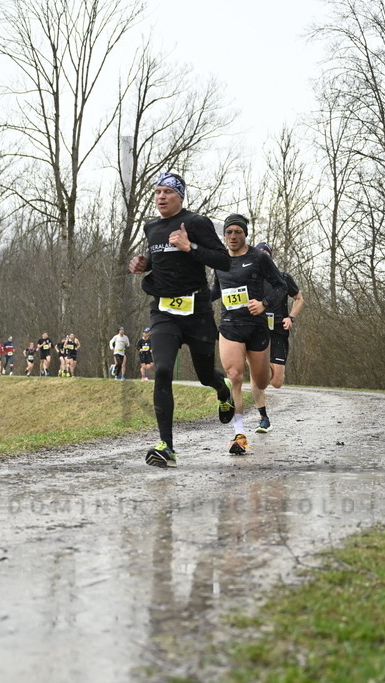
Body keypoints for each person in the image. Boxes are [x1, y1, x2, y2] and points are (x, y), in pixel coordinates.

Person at [128, 172, 235, 468]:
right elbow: (157, 258)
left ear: (180, 196)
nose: (160, 196)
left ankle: (223, 390)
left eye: (167, 192)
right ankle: (167, 447)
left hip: (197, 311)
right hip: (163, 312)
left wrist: (192, 248)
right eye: (157, 191)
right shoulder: (151, 227)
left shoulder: (196, 223)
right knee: (162, 370)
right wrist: (142, 263)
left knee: (204, 376)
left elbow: (223, 261)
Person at [210, 214, 287, 455]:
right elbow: (216, 290)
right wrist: (193, 301)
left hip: (257, 327)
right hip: (230, 325)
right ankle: (239, 434)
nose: (233, 236)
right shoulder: (219, 260)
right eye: (229, 232)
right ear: (224, 235)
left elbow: (281, 286)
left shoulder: (259, 258)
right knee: (234, 375)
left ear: (245, 234)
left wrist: (264, 303)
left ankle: (266, 370)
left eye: (238, 232)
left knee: (262, 382)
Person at [249, 242, 305, 433]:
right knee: (256, 378)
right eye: (259, 253)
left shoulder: (282, 277)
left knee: (276, 382)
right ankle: (263, 418)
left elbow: (299, 298)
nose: (263, 256)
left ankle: (263, 369)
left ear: (270, 258)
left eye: (266, 253)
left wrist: (292, 318)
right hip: (256, 330)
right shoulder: (249, 278)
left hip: (278, 330)